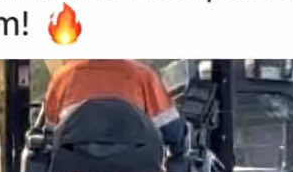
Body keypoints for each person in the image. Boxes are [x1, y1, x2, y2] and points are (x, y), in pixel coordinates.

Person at [42, 59, 187, 155]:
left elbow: (50, 134)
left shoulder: (63, 77)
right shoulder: (143, 76)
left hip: (74, 171)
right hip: (136, 169)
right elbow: (172, 132)